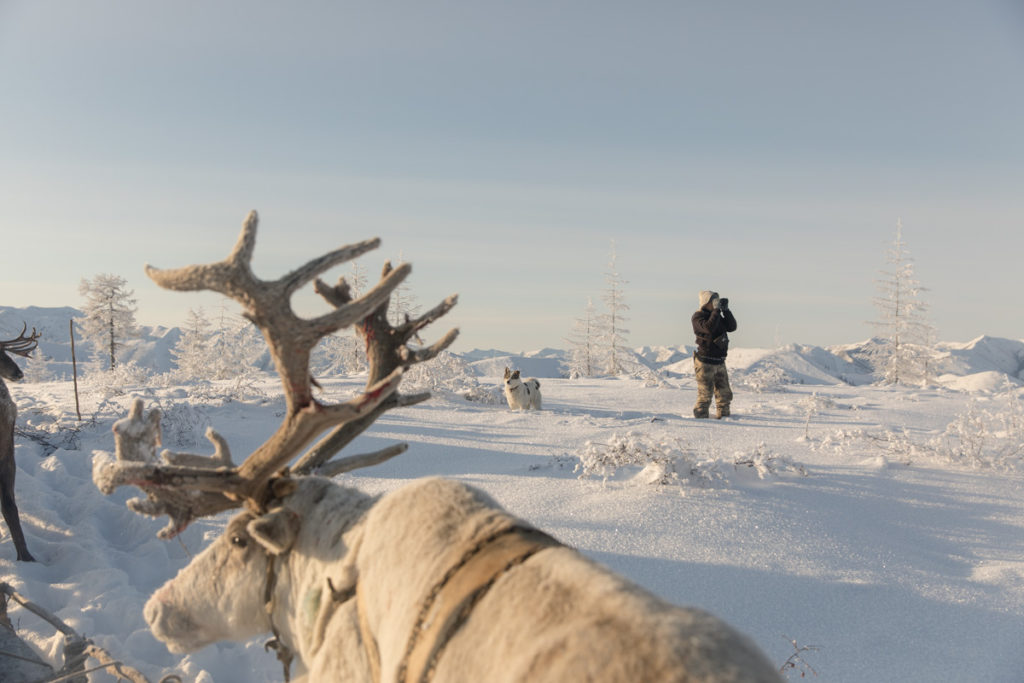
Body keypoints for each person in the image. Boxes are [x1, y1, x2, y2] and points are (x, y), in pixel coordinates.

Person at [691, 290, 737, 419]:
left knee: (724, 394)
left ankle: (724, 417)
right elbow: (708, 329)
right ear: (706, 302)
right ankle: (701, 419)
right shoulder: (698, 317)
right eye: (714, 300)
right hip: (705, 361)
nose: (716, 303)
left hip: (719, 361)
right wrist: (716, 311)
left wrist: (726, 311)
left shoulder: (716, 316)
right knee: (705, 394)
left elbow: (732, 327)